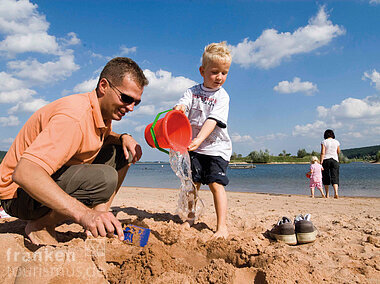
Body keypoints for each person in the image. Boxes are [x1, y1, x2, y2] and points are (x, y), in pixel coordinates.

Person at [0, 57, 149, 245]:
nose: (131, 108)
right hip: (16, 195)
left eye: (137, 102)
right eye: (126, 98)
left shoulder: (101, 112)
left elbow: (100, 137)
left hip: (37, 184)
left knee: (122, 152)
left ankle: (100, 221)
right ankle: (41, 225)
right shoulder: (74, 117)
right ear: (104, 86)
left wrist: (123, 137)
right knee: (105, 178)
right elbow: (24, 173)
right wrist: (84, 214)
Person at [174, 42, 232, 239]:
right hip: (194, 146)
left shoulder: (222, 97)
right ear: (202, 70)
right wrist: (180, 108)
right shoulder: (192, 91)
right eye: (214, 72)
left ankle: (221, 226)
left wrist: (199, 138)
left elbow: (212, 120)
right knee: (193, 184)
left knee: (216, 184)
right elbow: (183, 104)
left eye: (224, 73)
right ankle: (190, 217)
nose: (219, 77)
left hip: (216, 148)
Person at [320, 129, 340, 199]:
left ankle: (327, 194)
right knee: (335, 176)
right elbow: (338, 151)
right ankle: (336, 193)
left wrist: (321, 162)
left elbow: (323, 152)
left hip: (326, 159)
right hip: (335, 160)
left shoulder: (324, 142)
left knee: (326, 176)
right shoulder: (337, 142)